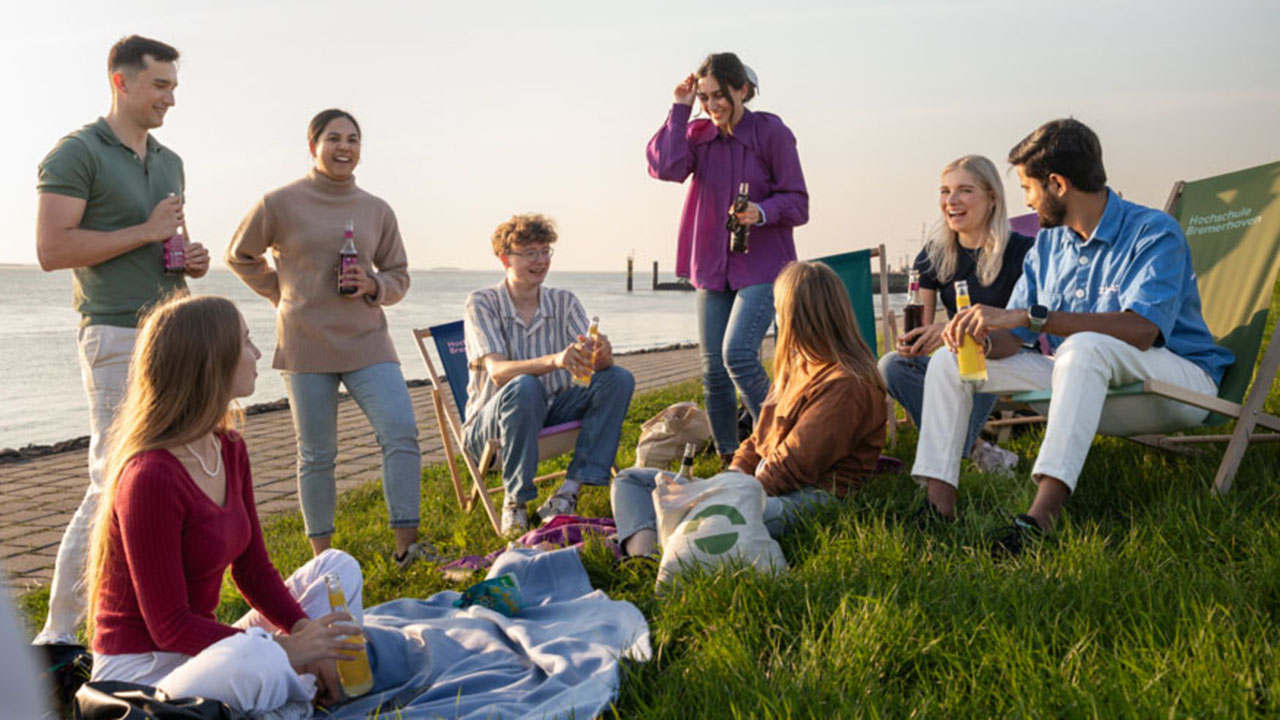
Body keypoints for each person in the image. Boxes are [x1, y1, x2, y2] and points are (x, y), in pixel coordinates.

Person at [910, 119, 1233, 553]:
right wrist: (982, 340)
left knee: (1082, 346)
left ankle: (1038, 522)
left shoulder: (1153, 232)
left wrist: (1032, 317)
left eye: (1028, 188)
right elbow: (1015, 336)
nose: (1026, 200)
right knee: (951, 360)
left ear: (1058, 184)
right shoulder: (1048, 246)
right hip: (1080, 378)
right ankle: (937, 511)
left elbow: (1142, 330)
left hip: (1175, 383)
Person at [85, 294, 361, 709]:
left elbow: (253, 569)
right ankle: (295, 687)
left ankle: (299, 681)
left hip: (204, 653)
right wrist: (284, 649)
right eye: (246, 342)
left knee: (337, 568)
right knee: (256, 656)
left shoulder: (228, 448)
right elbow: (169, 627)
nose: (258, 353)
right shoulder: (150, 476)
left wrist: (304, 631)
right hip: (143, 675)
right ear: (211, 362)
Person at [32, 35, 211, 645]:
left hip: (175, 332)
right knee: (112, 480)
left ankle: (163, 620)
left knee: (176, 478)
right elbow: (52, 249)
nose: (170, 99)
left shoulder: (170, 161)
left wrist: (188, 258)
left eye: (173, 87)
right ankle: (58, 638)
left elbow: (165, 240)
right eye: (160, 85)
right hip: (114, 332)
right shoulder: (76, 153)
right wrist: (145, 231)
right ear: (121, 81)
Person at [226, 109, 431, 567]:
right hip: (305, 345)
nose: (345, 147)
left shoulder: (377, 209)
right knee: (317, 455)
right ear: (313, 145)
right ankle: (323, 559)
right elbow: (239, 256)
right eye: (334, 138)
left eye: (353, 139)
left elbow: (399, 275)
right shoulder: (279, 203)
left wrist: (373, 284)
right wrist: (281, 293)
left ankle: (408, 547)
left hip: (368, 343)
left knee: (401, 431)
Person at [612, 261, 887, 558]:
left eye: (778, 310)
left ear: (796, 317)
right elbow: (758, 440)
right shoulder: (797, 366)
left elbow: (793, 466)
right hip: (756, 486)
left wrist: (723, 494)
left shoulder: (846, 385)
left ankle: (646, 541)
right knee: (630, 481)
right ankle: (645, 554)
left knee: (695, 511)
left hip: (805, 498)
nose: (775, 319)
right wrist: (730, 477)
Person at [647, 52, 808, 467]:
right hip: (710, 265)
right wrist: (680, 108)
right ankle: (730, 459)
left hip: (764, 265)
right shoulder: (697, 134)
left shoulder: (771, 132)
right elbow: (665, 167)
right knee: (713, 371)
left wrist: (762, 211)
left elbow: (798, 202)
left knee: (737, 355)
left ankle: (781, 447)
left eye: (719, 95)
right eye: (704, 97)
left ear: (742, 90)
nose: (711, 105)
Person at [463, 213, 636, 535]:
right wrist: (556, 360)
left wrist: (603, 356)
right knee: (524, 386)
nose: (540, 261)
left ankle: (567, 493)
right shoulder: (482, 302)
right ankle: (515, 501)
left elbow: (592, 365)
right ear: (505, 258)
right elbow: (498, 373)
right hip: (491, 429)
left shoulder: (564, 302)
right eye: (530, 253)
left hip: (551, 412)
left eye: (545, 251)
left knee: (619, 378)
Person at [878, 155, 1034, 475]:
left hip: (1006, 353)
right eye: (945, 191)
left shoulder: (1021, 252)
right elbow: (922, 329)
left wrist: (952, 330)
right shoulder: (934, 255)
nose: (951, 200)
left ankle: (946, 461)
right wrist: (916, 342)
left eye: (965, 190)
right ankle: (975, 448)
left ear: (992, 197)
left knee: (969, 363)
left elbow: (1022, 323)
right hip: (957, 357)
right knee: (891, 365)